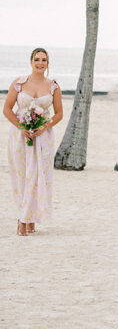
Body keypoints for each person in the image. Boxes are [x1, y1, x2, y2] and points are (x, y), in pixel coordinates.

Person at [3, 47, 63, 236]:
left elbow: (59, 114)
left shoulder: (53, 86)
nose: (40, 63)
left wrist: (43, 127)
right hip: (20, 137)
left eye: (44, 60)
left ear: (47, 63)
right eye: (37, 59)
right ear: (31, 62)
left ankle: (25, 220)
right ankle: (24, 217)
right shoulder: (19, 83)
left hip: (43, 138)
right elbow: (7, 109)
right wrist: (22, 127)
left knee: (38, 177)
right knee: (22, 177)